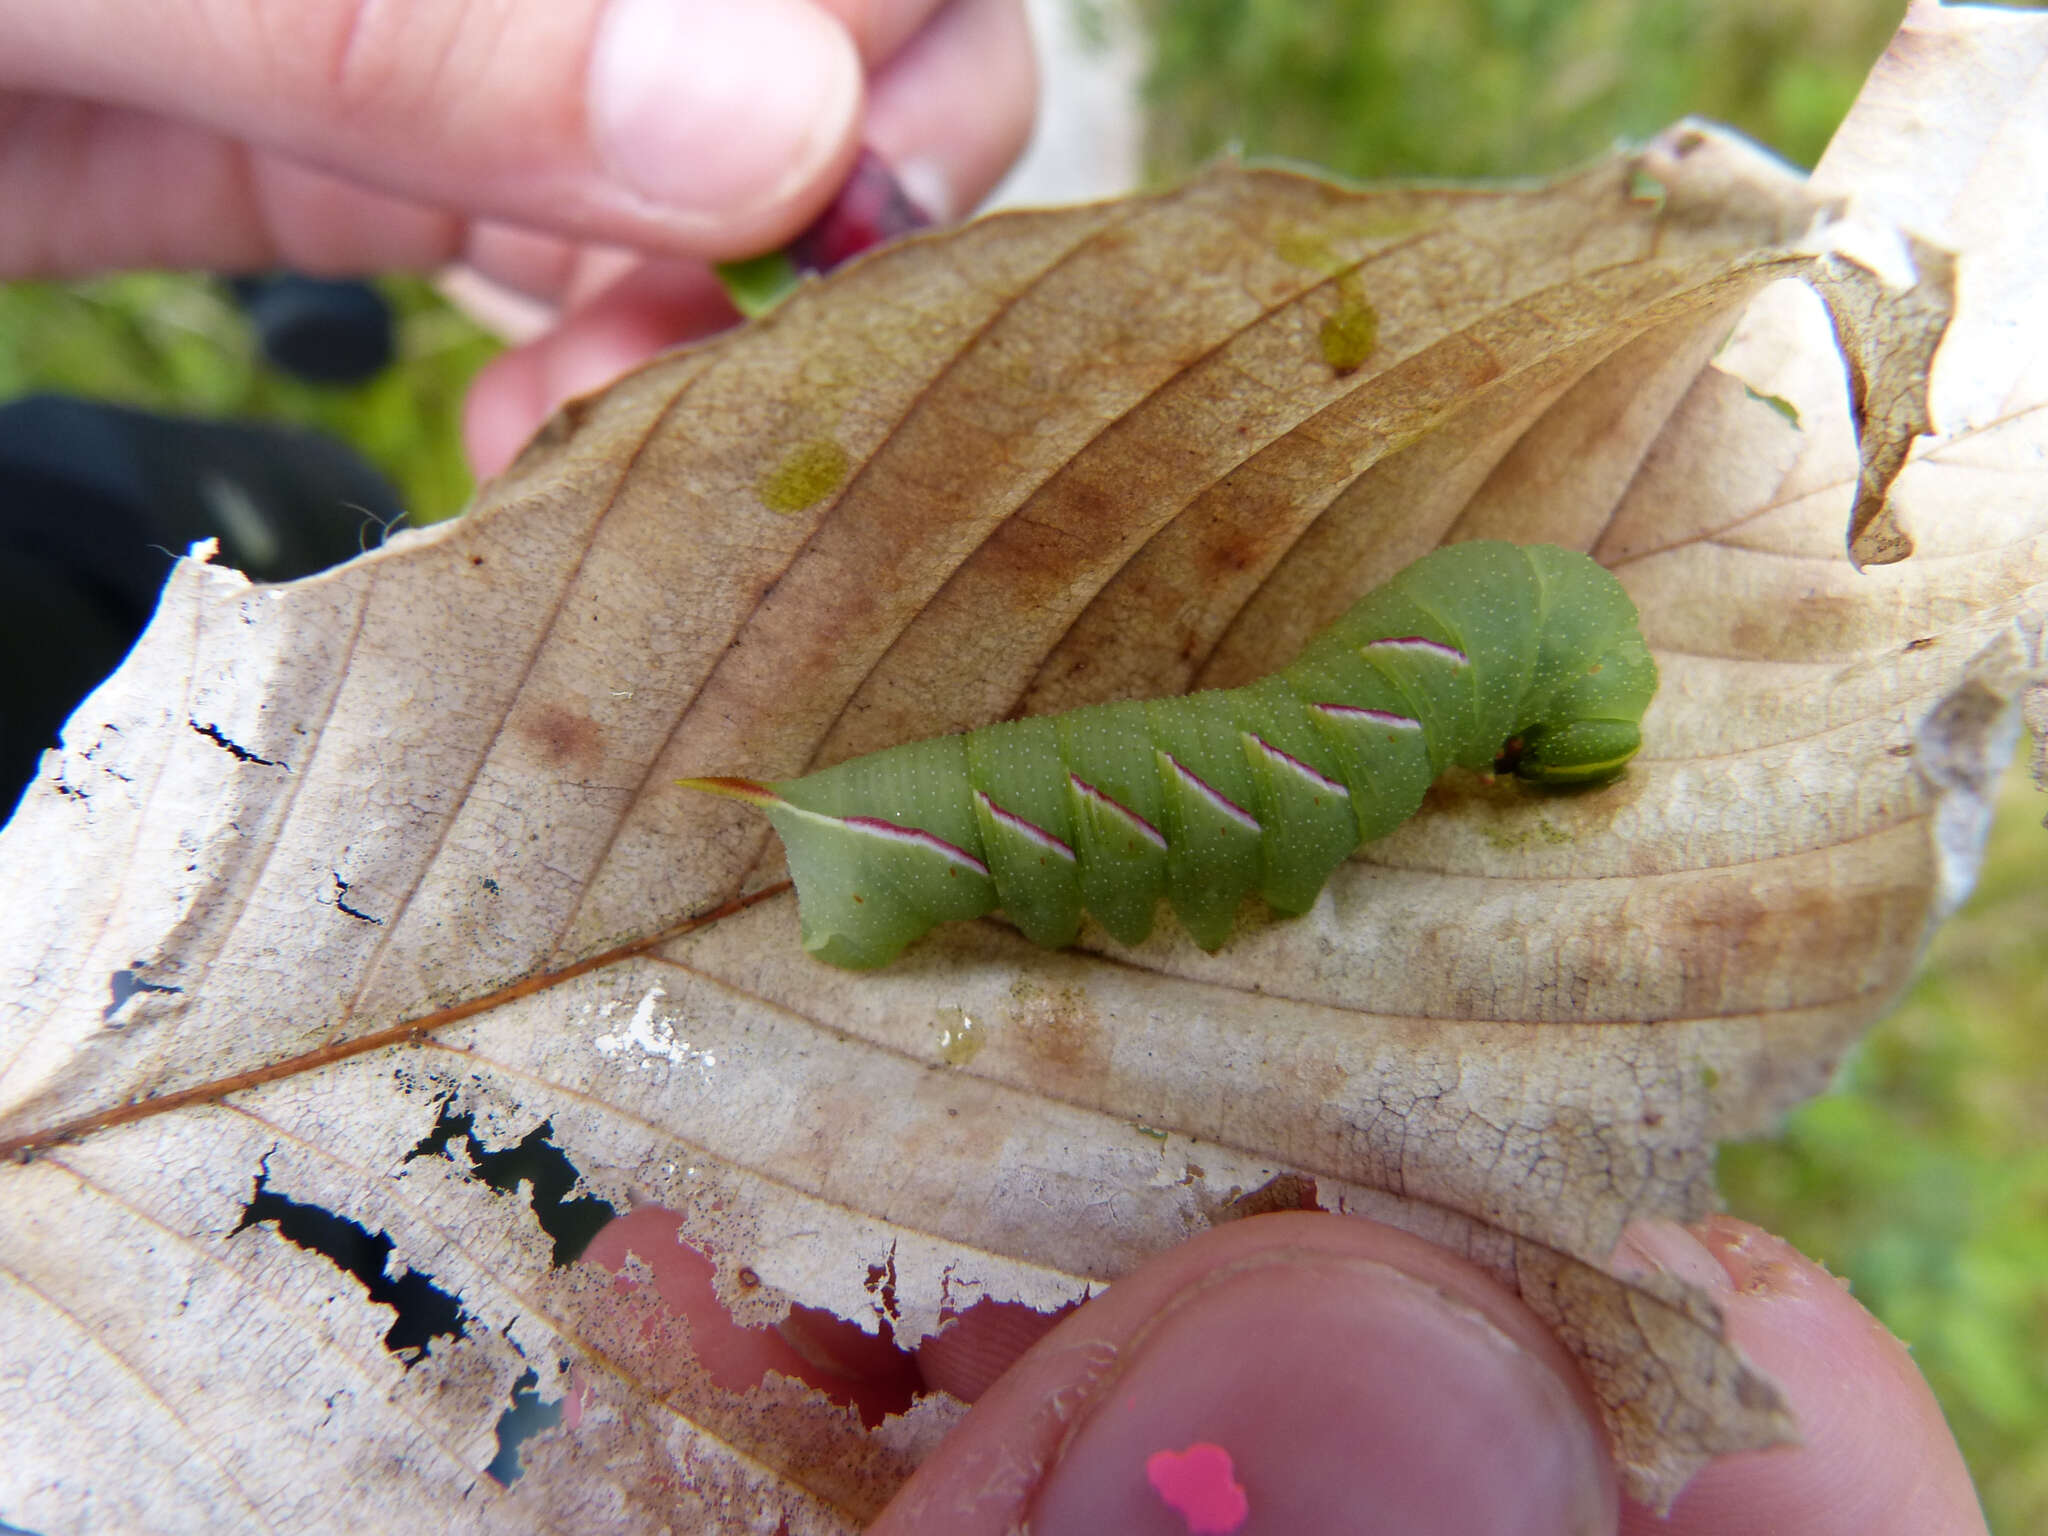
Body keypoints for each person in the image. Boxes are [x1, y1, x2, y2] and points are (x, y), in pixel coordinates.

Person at [0, 2, 1988, 1530]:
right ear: (1501, 712)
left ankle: (289, 493)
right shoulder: (1380, 741)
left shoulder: (1395, 712)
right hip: (875, 851)